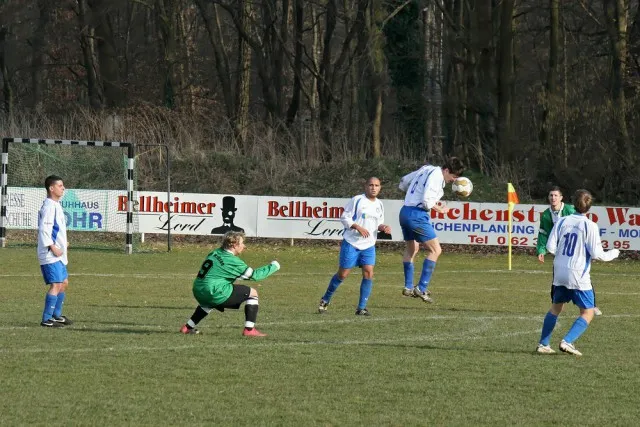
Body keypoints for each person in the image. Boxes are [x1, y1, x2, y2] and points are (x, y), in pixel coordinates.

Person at [536, 189, 619, 356]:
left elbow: (550, 247)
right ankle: (567, 341)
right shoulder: (590, 225)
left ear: (573, 204)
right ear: (589, 207)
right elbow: (597, 254)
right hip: (577, 274)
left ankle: (543, 344)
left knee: (555, 308)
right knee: (588, 312)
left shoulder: (562, 221)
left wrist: (563, 254)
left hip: (559, 271)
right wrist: (614, 253)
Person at [180, 231, 280, 336]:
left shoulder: (216, 252)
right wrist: (274, 266)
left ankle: (187, 327)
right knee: (253, 293)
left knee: (209, 303)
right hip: (213, 291)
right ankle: (249, 330)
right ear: (234, 245)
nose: (244, 246)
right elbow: (255, 275)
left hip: (198, 290)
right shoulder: (232, 261)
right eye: (242, 243)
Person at [317, 177, 391, 316]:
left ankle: (361, 308)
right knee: (343, 274)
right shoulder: (357, 200)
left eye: (376, 185)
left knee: (369, 272)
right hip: (352, 242)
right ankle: (325, 299)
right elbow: (345, 217)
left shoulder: (379, 204)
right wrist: (357, 227)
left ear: (380, 188)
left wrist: (383, 227)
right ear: (365, 186)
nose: (373, 188)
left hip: (369, 244)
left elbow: (378, 224)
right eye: (371, 185)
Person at [398, 157, 465, 302]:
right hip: (417, 215)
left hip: (405, 211)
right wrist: (441, 210)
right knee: (436, 250)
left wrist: (412, 196)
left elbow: (403, 182)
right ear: (446, 170)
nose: (453, 180)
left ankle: (408, 287)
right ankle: (421, 288)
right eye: (453, 176)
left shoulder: (426, 168)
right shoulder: (436, 176)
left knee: (412, 249)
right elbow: (427, 201)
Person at [536, 186, 602, 315]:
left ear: (561, 198)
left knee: (582, 278)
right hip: (558, 251)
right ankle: (556, 304)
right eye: (551, 195)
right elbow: (543, 233)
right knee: (557, 279)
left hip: (574, 251)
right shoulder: (546, 215)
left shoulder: (570, 211)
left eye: (556, 195)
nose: (553, 198)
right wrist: (541, 250)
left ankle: (592, 305)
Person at [38, 175, 73, 327]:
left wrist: (63, 243)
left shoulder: (56, 205)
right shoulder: (49, 206)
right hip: (50, 253)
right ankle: (46, 319)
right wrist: (53, 247)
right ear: (51, 188)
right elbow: (44, 230)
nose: (63, 188)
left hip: (58, 252)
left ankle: (56, 315)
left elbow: (55, 229)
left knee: (64, 283)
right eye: (60, 186)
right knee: (56, 284)